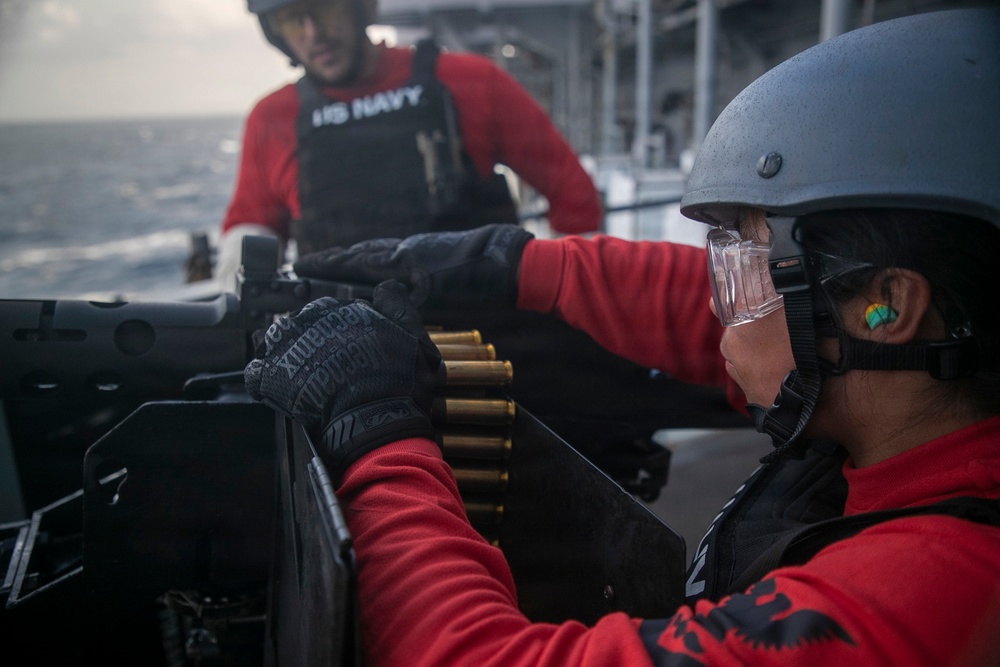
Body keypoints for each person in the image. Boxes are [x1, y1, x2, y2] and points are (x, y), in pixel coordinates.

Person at [245, 8, 1000, 665]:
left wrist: (376, 432)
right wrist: (511, 264)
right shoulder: (904, 412)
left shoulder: (929, 589)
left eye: (746, 263)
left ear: (886, 306)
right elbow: (718, 315)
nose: (719, 306)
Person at [216, 0, 602, 287]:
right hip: (346, 356)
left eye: (325, 6)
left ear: (362, 6)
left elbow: (574, 195)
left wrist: (554, 298)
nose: (312, 32)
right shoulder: (271, 119)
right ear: (275, 33)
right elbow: (248, 238)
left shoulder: (471, 81)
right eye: (291, 18)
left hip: (486, 345)